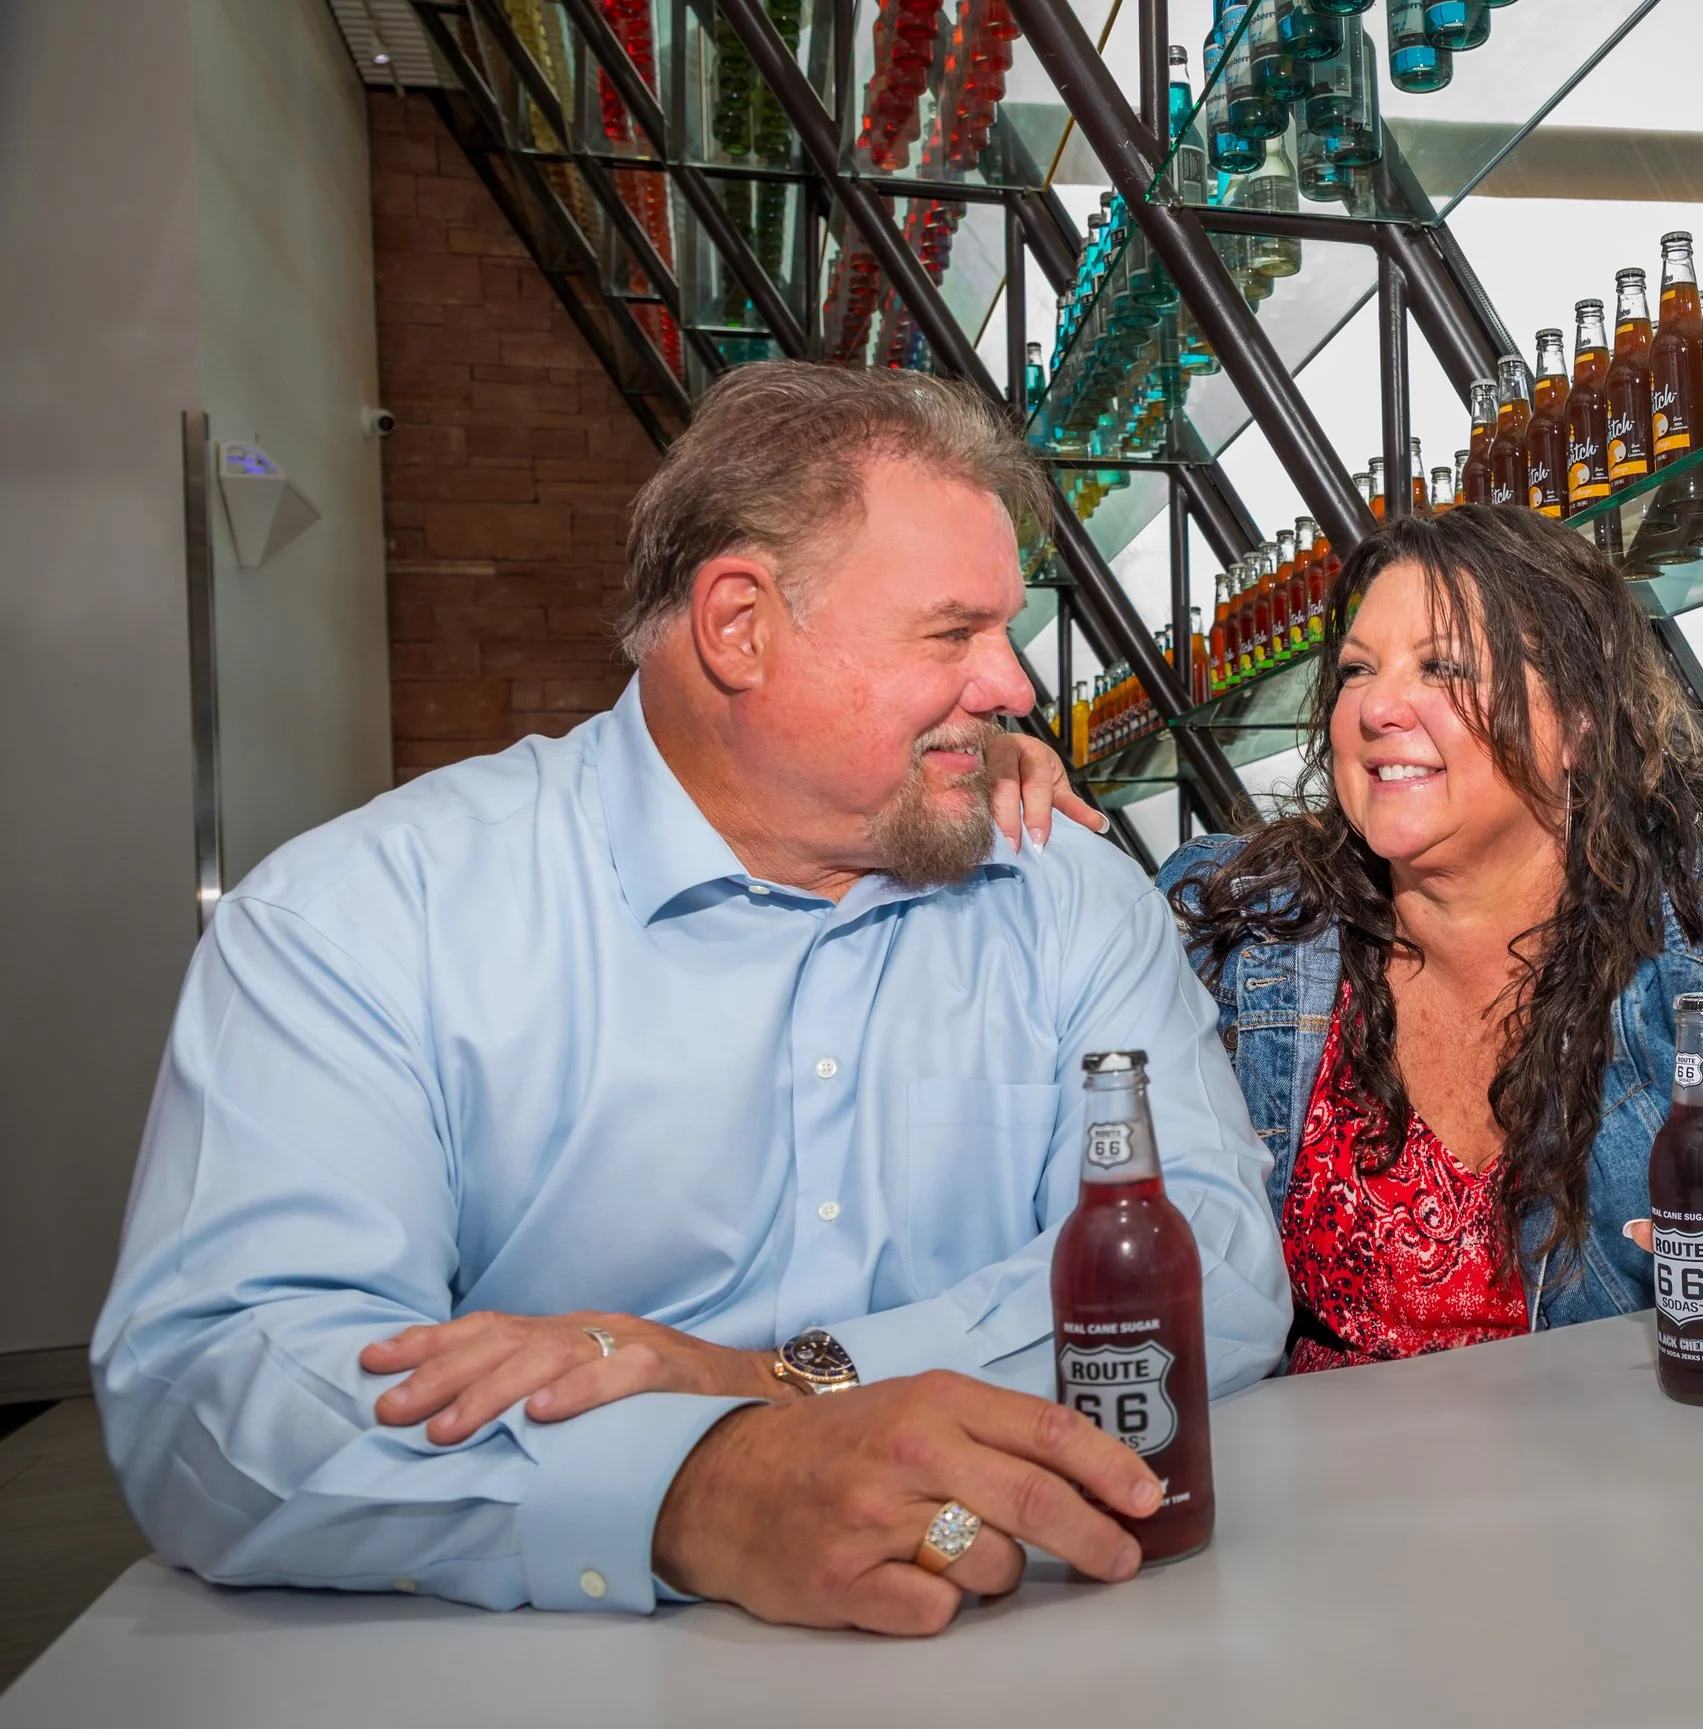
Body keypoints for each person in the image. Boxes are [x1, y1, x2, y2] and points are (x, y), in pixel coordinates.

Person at [92, 363, 1290, 1637]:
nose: (1013, 689)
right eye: (952, 633)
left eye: (1005, 630)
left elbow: (1212, 1270)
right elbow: (214, 1387)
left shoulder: (1067, 897)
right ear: (739, 624)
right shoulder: (365, 918)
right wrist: (700, 1488)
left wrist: (773, 1382)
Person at [1157, 506, 1703, 1382]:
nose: (1377, 706)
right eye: (1356, 669)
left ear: (1574, 722)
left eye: (1442, 666)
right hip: (1314, 1479)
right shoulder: (1242, 917)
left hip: (1612, 1468)